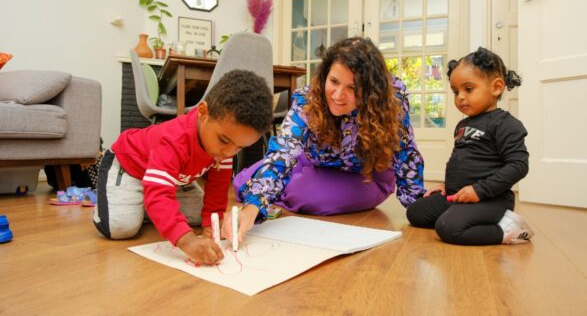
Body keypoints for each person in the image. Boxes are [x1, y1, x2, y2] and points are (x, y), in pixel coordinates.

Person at [223, 37, 426, 243]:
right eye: (334, 82)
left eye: (352, 88)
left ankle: (287, 188)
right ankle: (283, 187)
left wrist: (417, 203)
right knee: (243, 183)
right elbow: (284, 151)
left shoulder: (392, 98)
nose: (339, 95)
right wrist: (251, 208)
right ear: (324, 76)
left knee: (306, 194)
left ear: (371, 90)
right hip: (313, 161)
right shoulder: (308, 100)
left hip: (366, 175)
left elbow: (405, 151)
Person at [93, 70, 274, 264]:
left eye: (240, 147)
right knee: (121, 226)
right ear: (203, 113)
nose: (229, 153)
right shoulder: (173, 139)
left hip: (173, 178)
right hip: (128, 166)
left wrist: (209, 228)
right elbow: (160, 193)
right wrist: (186, 240)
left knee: (199, 217)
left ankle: (147, 203)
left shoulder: (225, 147)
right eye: (223, 140)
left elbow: (217, 191)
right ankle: (138, 200)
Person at [406, 47, 534, 245]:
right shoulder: (463, 125)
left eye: (468, 89)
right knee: (416, 213)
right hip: (458, 195)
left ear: (496, 87)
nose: (460, 97)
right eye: (456, 91)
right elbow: (463, 162)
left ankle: (506, 230)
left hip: (491, 199)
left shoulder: (506, 124)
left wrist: (479, 190)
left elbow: (518, 165)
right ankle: (460, 214)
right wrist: (448, 186)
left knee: (447, 228)